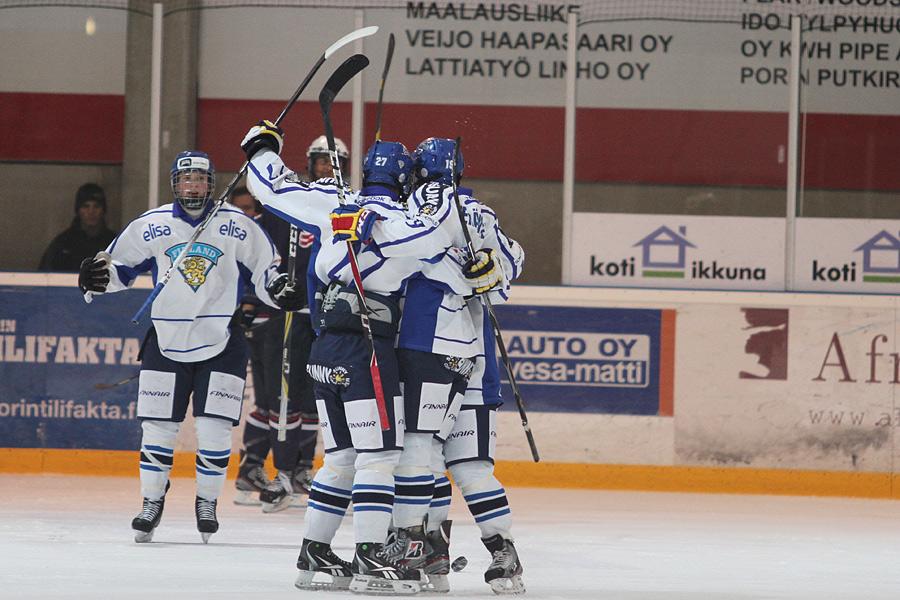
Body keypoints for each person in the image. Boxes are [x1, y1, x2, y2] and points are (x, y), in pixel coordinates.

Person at [242, 121, 483, 594]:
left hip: (324, 345)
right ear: (405, 180)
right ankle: (372, 561)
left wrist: (261, 145)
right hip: (367, 350)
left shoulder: (331, 201)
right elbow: (446, 257)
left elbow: (269, 188)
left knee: (342, 457)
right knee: (380, 456)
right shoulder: (403, 223)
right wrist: (482, 267)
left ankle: (314, 553)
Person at [78, 151, 305, 544]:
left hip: (221, 343)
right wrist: (97, 278)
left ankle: (207, 503)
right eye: (186, 180)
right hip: (165, 342)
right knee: (157, 431)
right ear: (174, 184)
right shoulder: (152, 225)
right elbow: (118, 268)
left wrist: (279, 289)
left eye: (200, 180)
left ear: (211, 184)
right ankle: (151, 502)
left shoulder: (238, 225)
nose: (193, 187)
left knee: (215, 432)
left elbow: (268, 270)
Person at [387, 138, 527, 595]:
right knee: (469, 466)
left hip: (428, 342)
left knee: (420, 449)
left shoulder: (420, 201)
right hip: (476, 356)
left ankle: (416, 552)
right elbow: (513, 260)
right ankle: (504, 557)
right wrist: (489, 269)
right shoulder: (481, 212)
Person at [234, 135, 347, 513]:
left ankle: (301, 470)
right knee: (277, 400)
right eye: (321, 162)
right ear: (309, 162)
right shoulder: (287, 202)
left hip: (324, 320)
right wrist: (251, 301)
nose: (326, 169)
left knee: (314, 400)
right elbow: (259, 258)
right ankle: (271, 471)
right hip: (284, 317)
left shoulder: (347, 207)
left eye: (333, 163)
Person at [39, 183, 117, 271]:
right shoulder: (63, 244)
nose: (91, 211)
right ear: (78, 210)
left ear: (103, 210)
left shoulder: (113, 243)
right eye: (85, 206)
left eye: (96, 206)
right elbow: (45, 276)